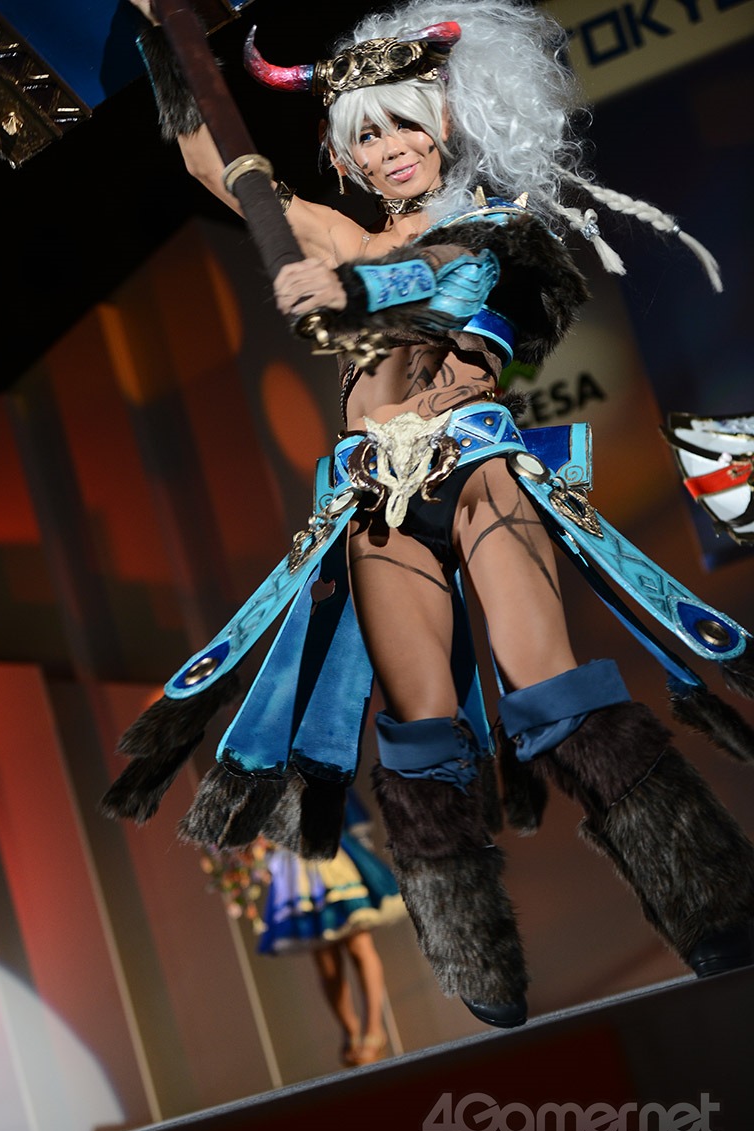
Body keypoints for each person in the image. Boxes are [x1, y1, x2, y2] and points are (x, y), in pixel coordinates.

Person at [106, 0, 754, 1030]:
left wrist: (351, 295)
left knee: (556, 691)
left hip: (480, 470)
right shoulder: (344, 238)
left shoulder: (498, 225)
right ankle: (474, 956)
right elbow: (208, 163)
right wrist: (160, 33)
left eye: (403, 123)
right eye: (365, 136)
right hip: (373, 495)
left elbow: (449, 279)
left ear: (443, 122)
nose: (389, 148)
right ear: (344, 156)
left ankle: (710, 905)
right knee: (417, 733)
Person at [205, 793, 404, 1066]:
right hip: (294, 866)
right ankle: (351, 1032)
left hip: (328, 850)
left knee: (359, 943)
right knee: (326, 959)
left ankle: (374, 1030)